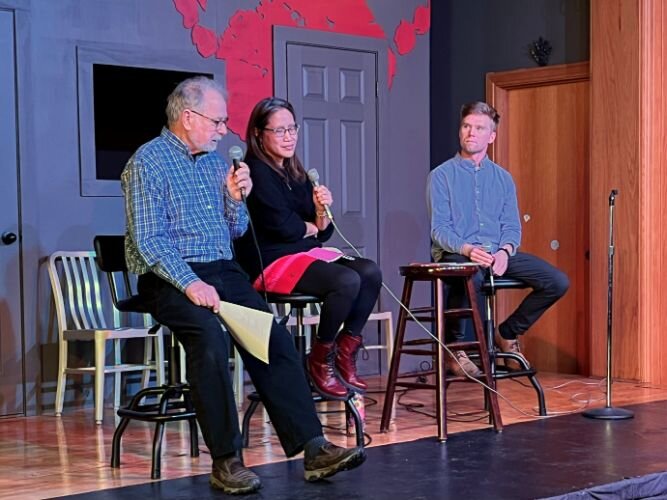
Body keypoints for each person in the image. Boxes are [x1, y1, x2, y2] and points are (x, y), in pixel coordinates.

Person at [121, 76, 365, 495]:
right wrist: (190, 283)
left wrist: (236, 199)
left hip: (223, 269)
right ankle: (226, 460)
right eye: (217, 121)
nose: (222, 130)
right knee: (210, 341)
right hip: (168, 276)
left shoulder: (219, 165)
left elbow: (236, 231)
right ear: (188, 117)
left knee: (271, 338)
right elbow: (148, 240)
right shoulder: (148, 161)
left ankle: (313, 446)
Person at [234, 97, 382, 400]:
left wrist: (318, 212)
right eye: (279, 131)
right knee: (345, 280)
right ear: (259, 134)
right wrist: (310, 228)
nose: (289, 137)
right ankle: (319, 358)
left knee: (369, 271)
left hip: (301, 254)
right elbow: (283, 227)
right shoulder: (254, 173)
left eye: (292, 129)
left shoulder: (295, 173)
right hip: (270, 261)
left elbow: (321, 233)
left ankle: (344, 350)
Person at [427, 101, 569, 375]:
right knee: (472, 275)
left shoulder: (503, 179)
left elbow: (512, 227)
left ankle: (507, 332)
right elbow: (439, 230)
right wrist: (468, 249)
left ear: (491, 136)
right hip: (457, 251)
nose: (471, 133)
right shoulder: (441, 176)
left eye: (479, 128)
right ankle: (456, 348)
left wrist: (505, 251)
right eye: (466, 126)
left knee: (557, 281)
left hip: (496, 251)